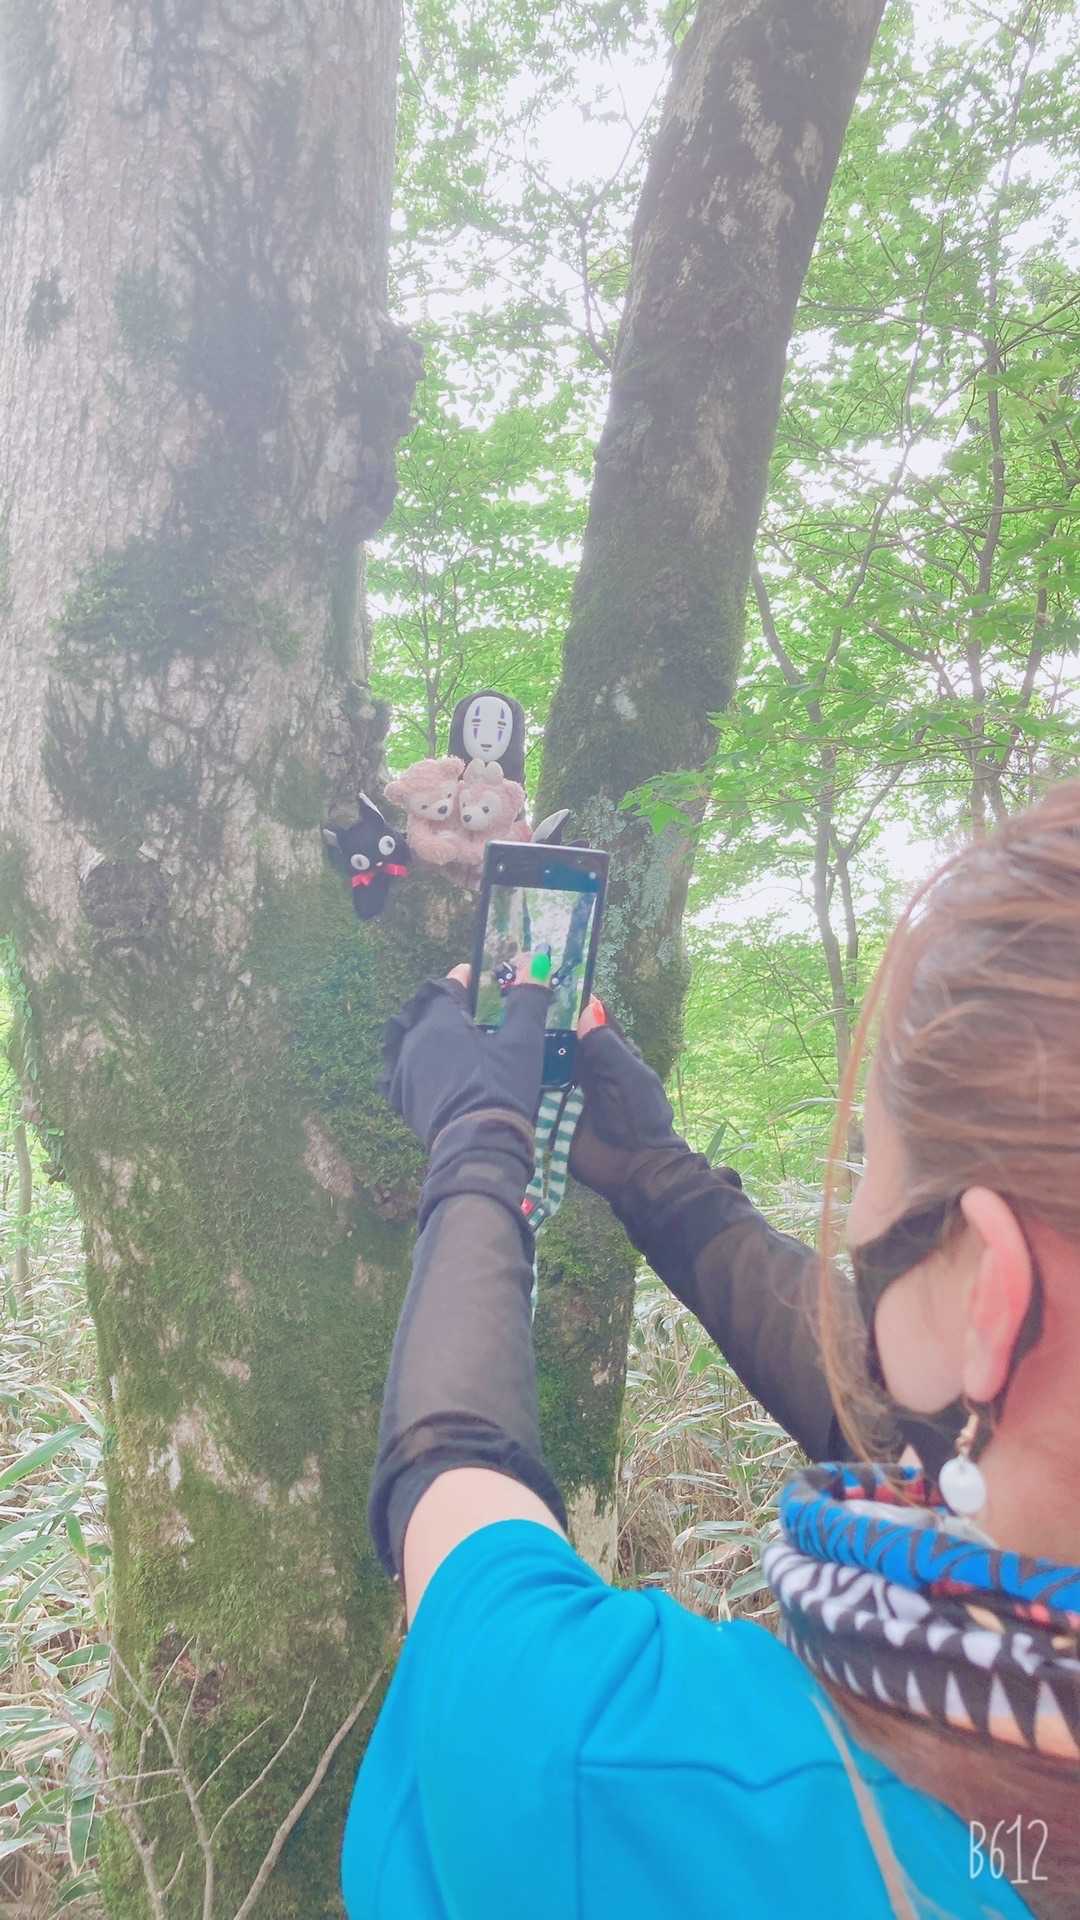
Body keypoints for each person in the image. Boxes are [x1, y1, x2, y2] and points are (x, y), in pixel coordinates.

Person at [341, 782, 1080, 1918]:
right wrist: (663, 1181)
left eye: (874, 1184)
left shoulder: (686, 1780)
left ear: (996, 1296)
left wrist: (476, 1141)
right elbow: (897, 1411)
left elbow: (469, 1572)